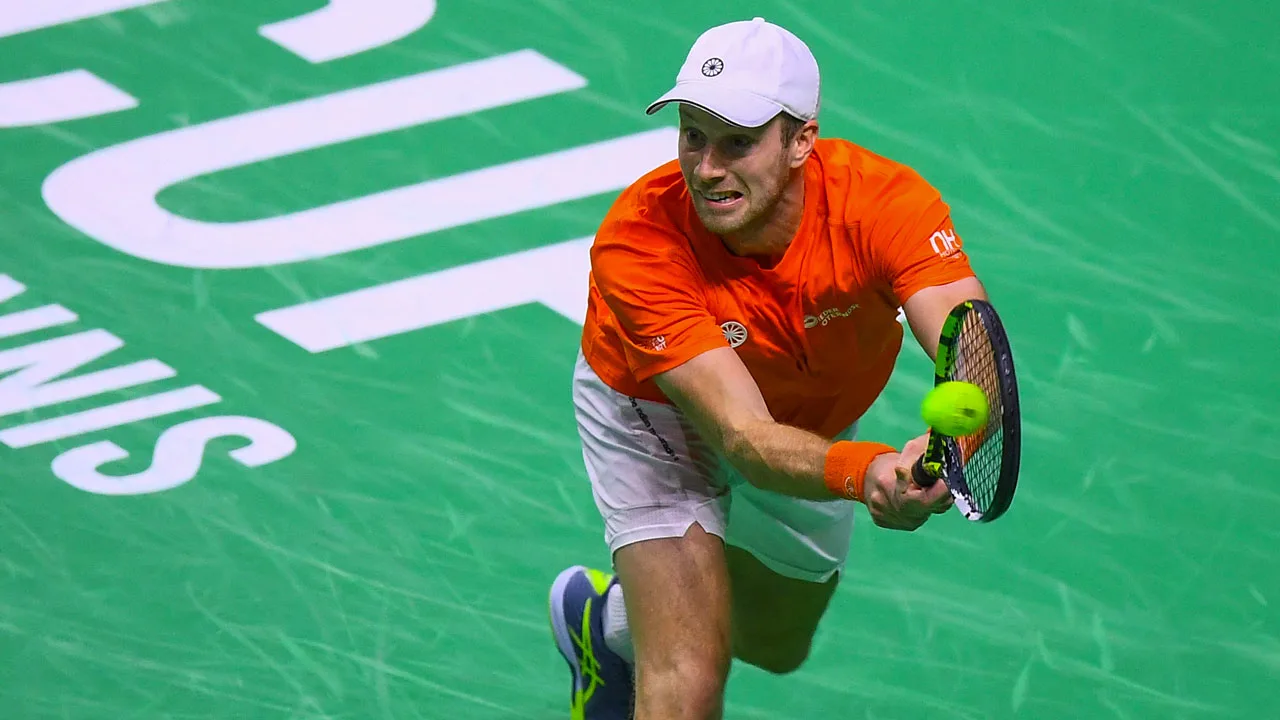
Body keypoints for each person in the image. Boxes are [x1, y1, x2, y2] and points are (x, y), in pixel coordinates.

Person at [548, 16, 988, 720]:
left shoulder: (882, 205)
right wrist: (868, 469)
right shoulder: (639, 243)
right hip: (656, 409)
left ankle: (609, 626)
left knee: (775, 643)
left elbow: (969, 345)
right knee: (689, 678)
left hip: (808, 414)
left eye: (739, 142)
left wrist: (947, 452)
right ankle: (660, 635)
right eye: (693, 135)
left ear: (801, 140)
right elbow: (742, 438)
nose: (708, 167)